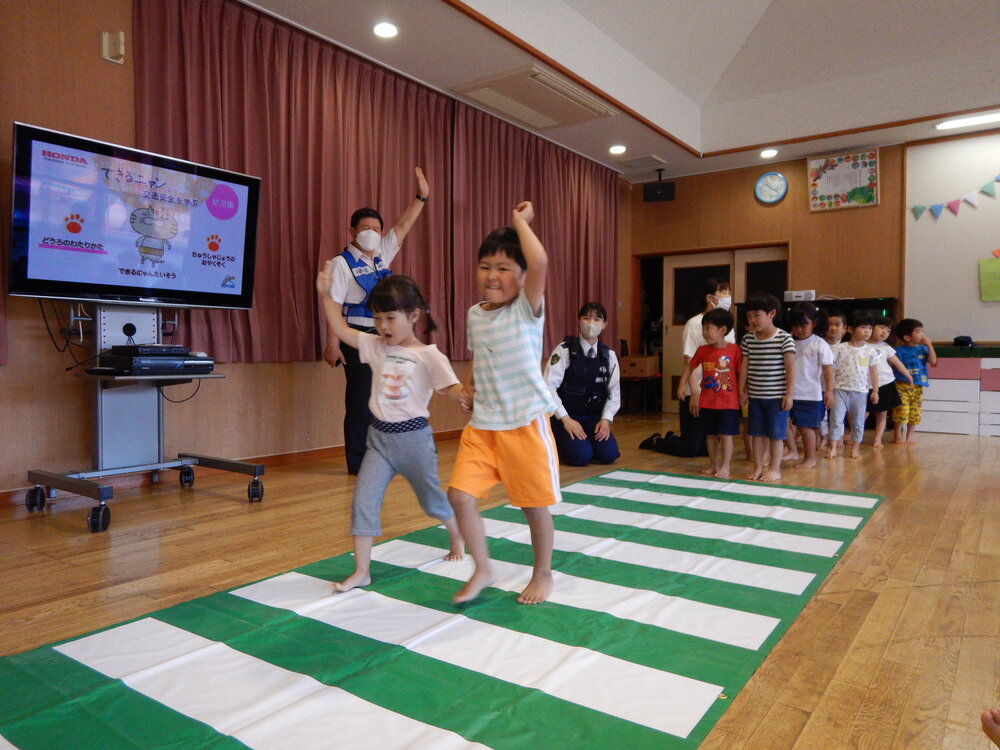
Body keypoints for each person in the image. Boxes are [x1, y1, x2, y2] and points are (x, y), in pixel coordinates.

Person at [316, 268, 465, 592]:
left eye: (390, 318)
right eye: (377, 318)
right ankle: (362, 571)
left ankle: (456, 536)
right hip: (379, 441)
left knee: (431, 502)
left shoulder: (428, 355)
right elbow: (341, 329)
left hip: (414, 441)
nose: (382, 326)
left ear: (413, 316)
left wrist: (463, 396)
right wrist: (326, 295)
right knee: (363, 502)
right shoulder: (375, 346)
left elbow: (450, 387)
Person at [447, 201, 560, 606]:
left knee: (532, 506)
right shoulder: (475, 314)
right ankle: (483, 567)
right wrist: (469, 388)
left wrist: (518, 222)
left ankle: (543, 573)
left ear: (523, 277)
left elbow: (541, 259)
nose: (492, 276)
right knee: (460, 496)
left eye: (503, 267)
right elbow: (479, 355)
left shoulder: (527, 310)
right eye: (485, 266)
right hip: (483, 424)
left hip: (524, 423)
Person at [322, 167, 430, 475]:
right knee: (360, 401)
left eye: (376, 228)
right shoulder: (342, 264)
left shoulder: (381, 254)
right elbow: (332, 303)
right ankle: (358, 462)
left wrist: (422, 195)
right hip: (356, 337)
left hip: (385, 338)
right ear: (353, 232)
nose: (371, 232)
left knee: (386, 398)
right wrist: (332, 344)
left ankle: (383, 456)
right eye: (365, 227)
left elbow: (404, 224)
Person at [639, 277, 733, 457]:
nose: (727, 297)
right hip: (695, 390)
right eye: (723, 292)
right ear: (710, 297)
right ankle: (657, 441)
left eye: (729, 293)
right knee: (690, 449)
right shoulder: (695, 324)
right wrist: (695, 392)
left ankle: (674, 437)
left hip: (716, 392)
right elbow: (690, 361)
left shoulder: (729, 326)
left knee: (706, 450)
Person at [544, 302, 621, 466]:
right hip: (566, 417)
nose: (591, 323)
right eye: (586, 318)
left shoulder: (608, 356)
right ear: (579, 321)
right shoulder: (564, 350)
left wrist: (606, 420)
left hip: (593, 418)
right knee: (581, 457)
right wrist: (565, 419)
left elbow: (614, 393)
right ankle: (557, 441)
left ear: (604, 325)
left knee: (609, 455)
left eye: (597, 319)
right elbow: (548, 387)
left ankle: (586, 442)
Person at [675, 307, 741, 478]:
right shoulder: (703, 351)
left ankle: (725, 466)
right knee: (710, 435)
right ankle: (713, 464)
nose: (704, 332)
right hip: (707, 401)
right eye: (703, 328)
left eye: (708, 328)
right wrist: (682, 386)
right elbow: (690, 367)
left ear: (723, 330)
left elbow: (741, 373)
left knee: (726, 435)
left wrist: (744, 392)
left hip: (728, 403)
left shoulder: (735, 350)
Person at [739, 292, 795, 482]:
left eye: (756, 315)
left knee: (775, 434)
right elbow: (744, 366)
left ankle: (775, 468)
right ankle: (758, 466)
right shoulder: (748, 339)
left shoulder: (784, 338)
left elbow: (790, 368)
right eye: (749, 316)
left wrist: (789, 394)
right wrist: (742, 388)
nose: (752, 320)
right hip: (755, 396)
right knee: (756, 433)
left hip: (777, 397)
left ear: (771, 313)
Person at [787, 303, 834, 470]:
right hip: (789, 392)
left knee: (806, 427)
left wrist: (829, 391)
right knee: (784, 424)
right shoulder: (789, 342)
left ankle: (809, 458)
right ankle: (792, 450)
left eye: (803, 325)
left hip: (809, 394)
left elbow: (828, 369)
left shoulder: (820, 344)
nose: (799, 329)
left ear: (814, 323)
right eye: (795, 325)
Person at [827, 311, 879, 459]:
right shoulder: (840, 348)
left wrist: (875, 391)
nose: (867, 331)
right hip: (840, 389)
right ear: (850, 329)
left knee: (858, 422)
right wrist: (829, 390)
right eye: (863, 327)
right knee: (836, 419)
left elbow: (874, 372)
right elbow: (830, 370)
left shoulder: (870, 351)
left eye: (870, 328)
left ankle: (855, 448)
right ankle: (832, 447)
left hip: (860, 391)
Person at [892, 317, 938, 445]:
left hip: (918, 385)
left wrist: (929, 345)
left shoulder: (923, 349)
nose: (922, 334)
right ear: (907, 337)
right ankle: (897, 434)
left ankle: (910, 436)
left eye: (922, 331)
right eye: (918, 331)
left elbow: (933, 361)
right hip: (901, 385)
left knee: (915, 412)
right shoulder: (898, 351)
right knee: (902, 410)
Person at [869, 315, 912, 448]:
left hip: (885, 383)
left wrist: (908, 376)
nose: (884, 332)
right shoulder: (862, 345)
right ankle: (853, 435)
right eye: (881, 328)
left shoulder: (886, 347)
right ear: (872, 327)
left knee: (882, 414)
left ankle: (877, 439)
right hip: (865, 384)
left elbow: (897, 363)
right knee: (862, 412)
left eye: (888, 330)